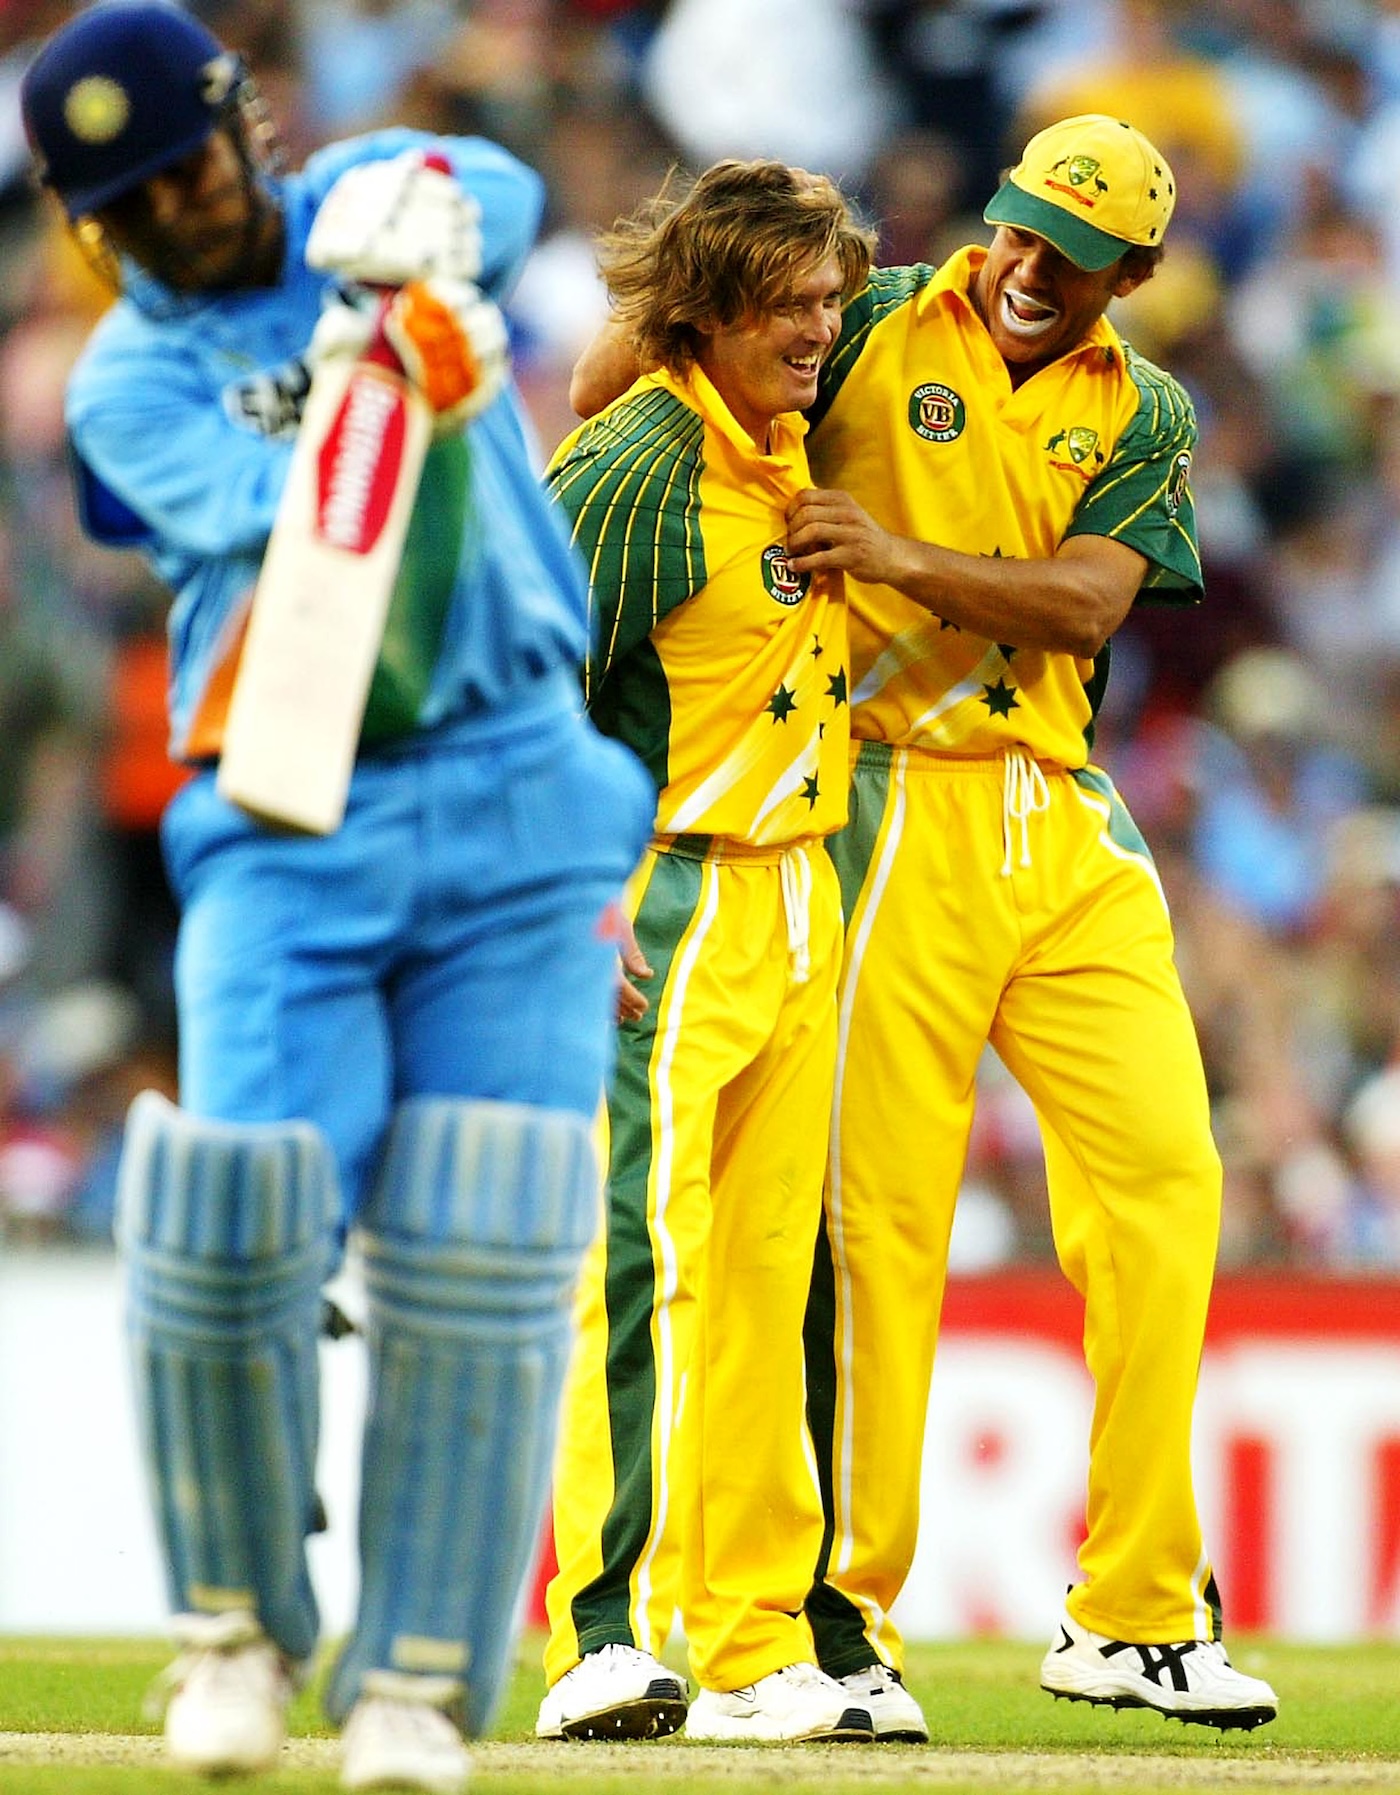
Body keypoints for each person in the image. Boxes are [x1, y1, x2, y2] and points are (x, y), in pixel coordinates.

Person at [20, 6, 653, 1792]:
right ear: (85, 228)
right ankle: (235, 1627)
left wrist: (420, 235)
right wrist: (392, 356)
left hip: (518, 787)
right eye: (127, 208)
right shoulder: (128, 387)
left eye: (189, 171)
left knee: (485, 1226)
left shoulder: (366, 197)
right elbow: (310, 516)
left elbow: (496, 187)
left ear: (245, 126)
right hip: (292, 798)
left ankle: (416, 1685)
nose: (175, 218)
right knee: (234, 1210)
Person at [779, 113, 1280, 1733]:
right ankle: (838, 1618)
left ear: (1133, 274)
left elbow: (1088, 603)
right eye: (1017, 228)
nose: (1026, 267)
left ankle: (1134, 1611)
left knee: (1167, 1186)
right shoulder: (867, 314)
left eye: (1072, 257)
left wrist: (892, 554)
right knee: (880, 1220)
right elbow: (668, 383)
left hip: (1060, 807)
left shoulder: (1146, 405)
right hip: (891, 792)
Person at [534, 159, 882, 1745]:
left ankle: (750, 1644)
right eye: (789, 303)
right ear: (707, 314)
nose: (820, 329)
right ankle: (597, 1635)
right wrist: (565, 902)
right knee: (637, 1265)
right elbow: (521, 689)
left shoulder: (787, 437)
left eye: (829, 300)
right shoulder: (634, 471)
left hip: (799, 893)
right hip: (662, 897)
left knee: (764, 1283)